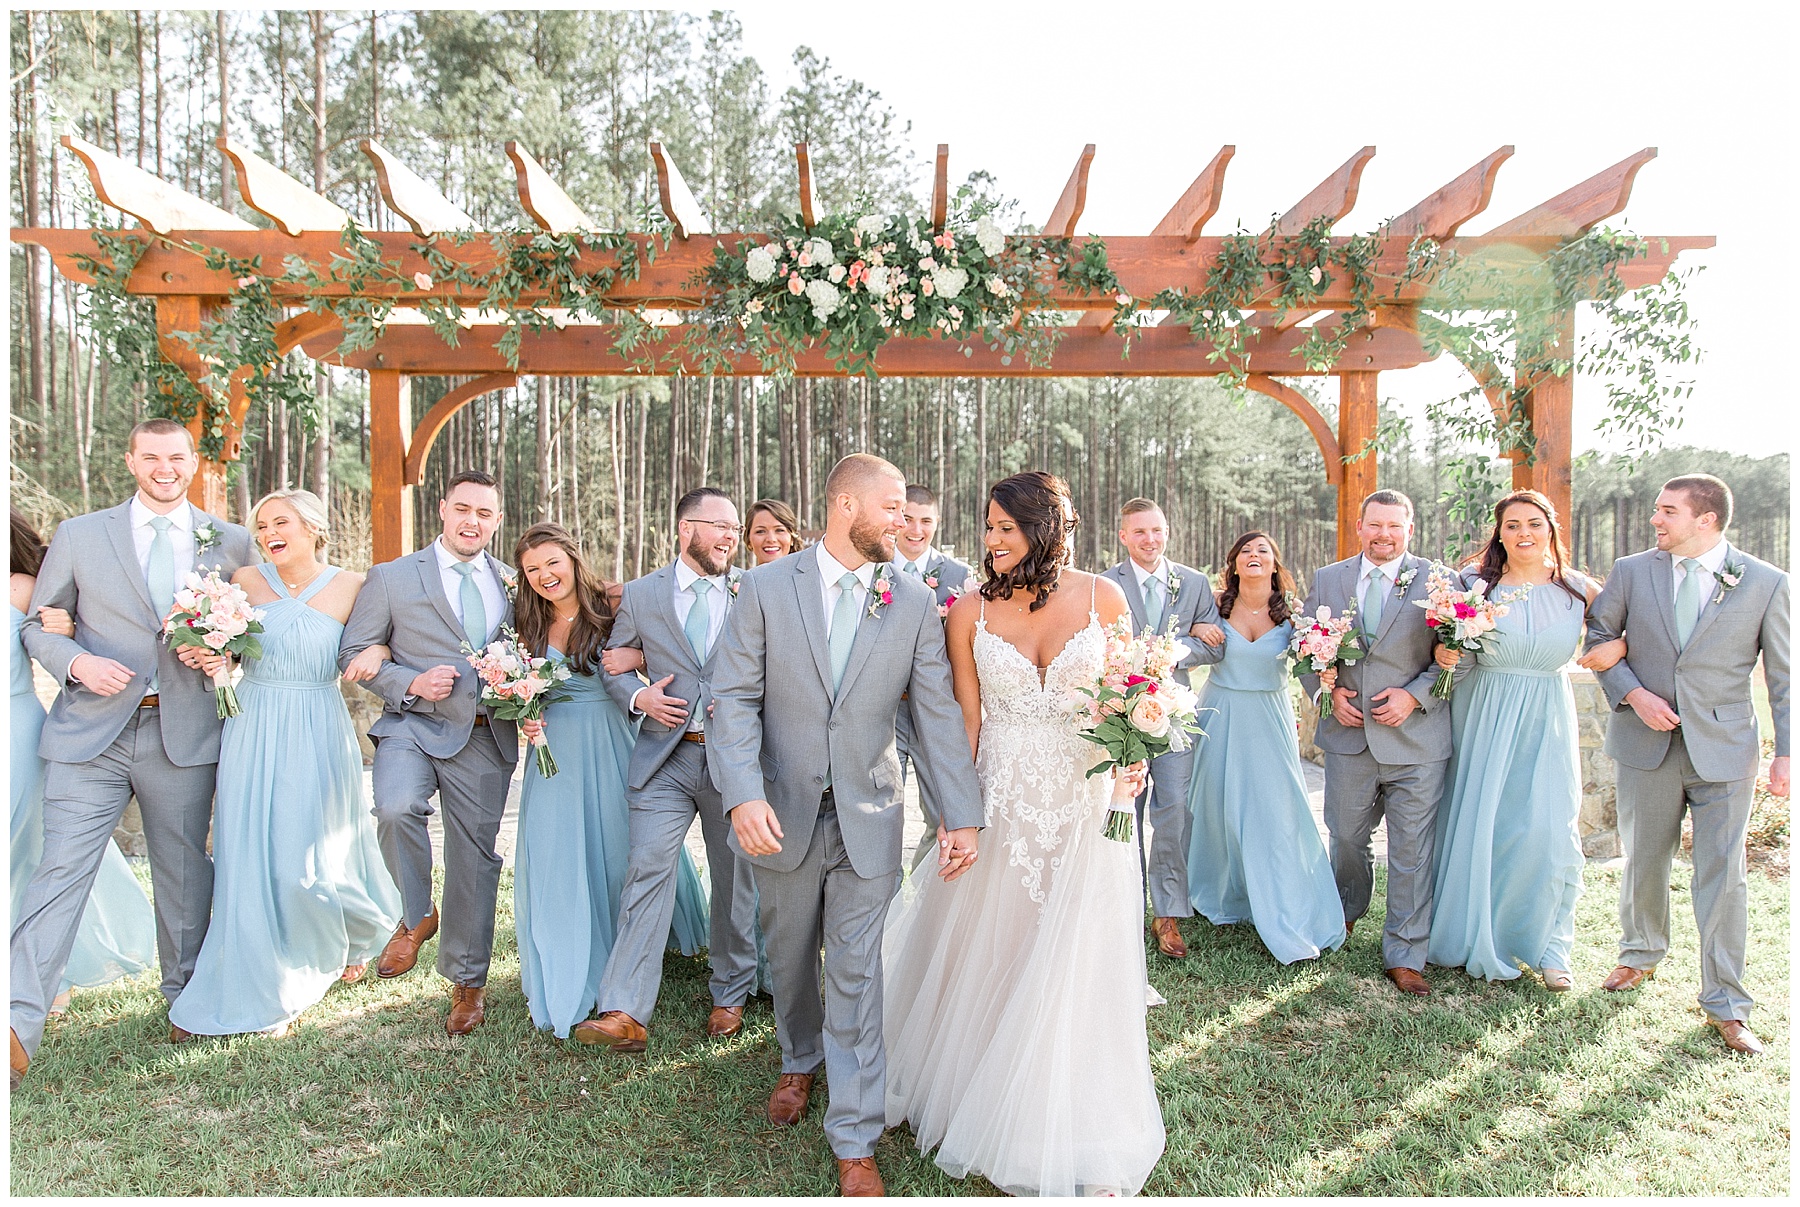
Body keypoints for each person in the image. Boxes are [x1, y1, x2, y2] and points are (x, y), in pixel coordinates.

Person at [710, 454, 984, 1198]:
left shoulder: (914, 602)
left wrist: (959, 814)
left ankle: (855, 1134)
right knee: (792, 958)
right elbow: (730, 697)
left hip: (869, 815)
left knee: (859, 973)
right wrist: (740, 793)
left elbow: (933, 717)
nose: (904, 520)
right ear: (843, 504)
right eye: (892, 506)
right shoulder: (764, 587)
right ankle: (797, 1058)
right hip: (779, 815)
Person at [883, 470, 1163, 1197]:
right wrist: (957, 811)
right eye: (988, 527)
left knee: (1081, 945)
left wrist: (1134, 762)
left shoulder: (1106, 597)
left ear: (1046, 526)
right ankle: (981, 1087)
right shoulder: (968, 610)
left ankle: (1077, 1110)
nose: (993, 540)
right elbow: (965, 724)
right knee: (1001, 939)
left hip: (1089, 793)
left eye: (1007, 526)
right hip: (1004, 793)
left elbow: (1131, 697)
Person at [11, 419, 254, 1088]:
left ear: (193, 461)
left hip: (183, 732)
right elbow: (41, 624)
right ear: (131, 459)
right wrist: (78, 661)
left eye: (176, 456)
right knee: (58, 872)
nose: (164, 467)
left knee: (182, 874)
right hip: (90, 732)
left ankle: (186, 1002)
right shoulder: (80, 535)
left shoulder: (230, 541)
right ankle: (15, 1022)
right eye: (151, 456)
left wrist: (226, 655)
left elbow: (251, 634)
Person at [169, 490, 401, 1038]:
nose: (270, 531)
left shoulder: (354, 586)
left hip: (318, 726)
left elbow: (388, 642)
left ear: (313, 528)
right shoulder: (244, 583)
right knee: (248, 852)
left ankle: (332, 936)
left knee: (306, 859)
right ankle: (267, 980)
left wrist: (380, 653)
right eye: (262, 524)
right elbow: (223, 650)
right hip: (252, 722)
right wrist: (211, 655)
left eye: (282, 522)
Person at [1581, 473, 1789, 1056]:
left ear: (1706, 520)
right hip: (1646, 742)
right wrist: (1632, 693)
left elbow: (1784, 677)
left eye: (1667, 511)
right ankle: (1640, 954)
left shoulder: (1768, 583)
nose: (1655, 520)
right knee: (1644, 858)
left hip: (1725, 748)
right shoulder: (1630, 570)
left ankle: (1726, 1003)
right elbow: (1599, 635)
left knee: (1724, 875)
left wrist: (1788, 753)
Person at [503, 523, 709, 1041]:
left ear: (572, 558)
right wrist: (520, 711)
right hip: (555, 756)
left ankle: (637, 956)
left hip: (614, 743)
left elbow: (671, 643)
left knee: (625, 851)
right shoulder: (523, 621)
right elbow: (513, 680)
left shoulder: (615, 602)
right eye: (532, 570)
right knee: (559, 857)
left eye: (553, 562)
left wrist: (639, 659)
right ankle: (574, 962)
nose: (545, 576)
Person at [574, 488, 760, 1050]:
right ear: (686, 528)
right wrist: (639, 698)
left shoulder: (753, 589)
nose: (731, 536)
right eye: (719, 526)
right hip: (665, 758)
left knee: (735, 880)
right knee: (648, 869)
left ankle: (730, 992)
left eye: (734, 528)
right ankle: (624, 1011)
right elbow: (613, 666)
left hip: (735, 762)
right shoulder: (642, 593)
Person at [337, 469, 519, 1037]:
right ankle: (415, 915)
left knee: (474, 860)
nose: (473, 521)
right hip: (410, 727)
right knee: (394, 808)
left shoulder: (515, 583)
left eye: (485, 513)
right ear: (442, 509)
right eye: (463, 508)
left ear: (497, 520)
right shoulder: (392, 576)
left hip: (485, 736)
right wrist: (410, 682)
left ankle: (469, 984)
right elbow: (353, 650)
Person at [1424, 491, 1599, 991]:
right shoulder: (1477, 586)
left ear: (1551, 529)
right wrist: (1444, 650)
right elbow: (1440, 641)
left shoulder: (1579, 589)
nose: (1524, 533)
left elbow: (1622, 631)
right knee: (1485, 823)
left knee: (1547, 829)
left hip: (1546, 714)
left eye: (1534, 523)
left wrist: (1617, 646)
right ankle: (1471, 930)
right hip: (1483, 711)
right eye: (1513, 525)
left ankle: (1549, 946)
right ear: (1499, 534)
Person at [1300, 488, 1462, 997]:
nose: (1384, 535)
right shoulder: (1330, 578)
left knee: (1412, 849)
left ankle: (1405, 951)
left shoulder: (1440, 582)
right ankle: (1345, 912)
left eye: (1395, 526)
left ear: (1409, 529)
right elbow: (1306, 647)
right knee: (1346, 835)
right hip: (1349, 736)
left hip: (1416, 739)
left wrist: (1415, 697)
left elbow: (1459, 655)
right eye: (1375, 525)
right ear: (1360, 525)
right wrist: (1329, 695)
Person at [9, 511, 155, 1024]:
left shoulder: (23, 586)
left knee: (26, 852)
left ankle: (45, 975)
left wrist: (68, 629)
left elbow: (67, 631)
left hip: (14, 734)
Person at [1185, 531, 1345, 964]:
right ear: (1233, 563)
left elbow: (1313, 663)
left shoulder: (1294, 612)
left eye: (1264, 551)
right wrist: (1196, 627)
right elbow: (1183, 641)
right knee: (1217, 805)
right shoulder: (1214, 607)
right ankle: (1223, 893)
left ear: (1275, 564)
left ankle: (1283, 902)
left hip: (1270, 717)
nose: (1254, 556)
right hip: (1219, 713)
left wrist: (1324, 679)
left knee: (1275, 810)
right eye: (1246, 551)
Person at [1099, 497, 1224, 959]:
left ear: (1165, 531)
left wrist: (1177, 651)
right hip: (1121, 716)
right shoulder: (1104, 584)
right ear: (1123, 536)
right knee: (1123, 809)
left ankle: (1167, 912)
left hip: (1175, 713)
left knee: (1174, 810)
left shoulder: (1192, 583)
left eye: (1156, 531)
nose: (1149, 540)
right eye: (1139, 532)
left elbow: (1215, 645)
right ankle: (1124, 905)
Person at [891, 483, 976, 870]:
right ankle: (883, 903)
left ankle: (924, 896)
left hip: (934, 710)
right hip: (885, 710)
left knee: (938, 810)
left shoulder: (961, 576)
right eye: (907, 518)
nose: (915, 529)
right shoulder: (875, 568)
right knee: (882, 812)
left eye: (926, 521)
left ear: (937, 523)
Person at [746, 499, 806, 565]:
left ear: (792, 538)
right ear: (749, 540)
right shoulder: (739, 575)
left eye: (779, 530)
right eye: (760, 531)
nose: (771, 539)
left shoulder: (812, 574)